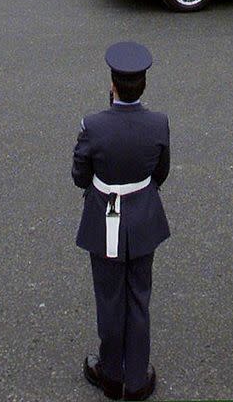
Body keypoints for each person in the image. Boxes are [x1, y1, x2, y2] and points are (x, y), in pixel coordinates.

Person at [73, 41, 170, 402]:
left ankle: (111, 373)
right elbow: (162, 171)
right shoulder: (158, 123)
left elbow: (80, 175)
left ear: (112, 84)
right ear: (143, 85)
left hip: (104, 216)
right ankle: (138, 376)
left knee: (110, 296)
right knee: (138, 295)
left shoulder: (93, 125)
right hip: (143, 215)